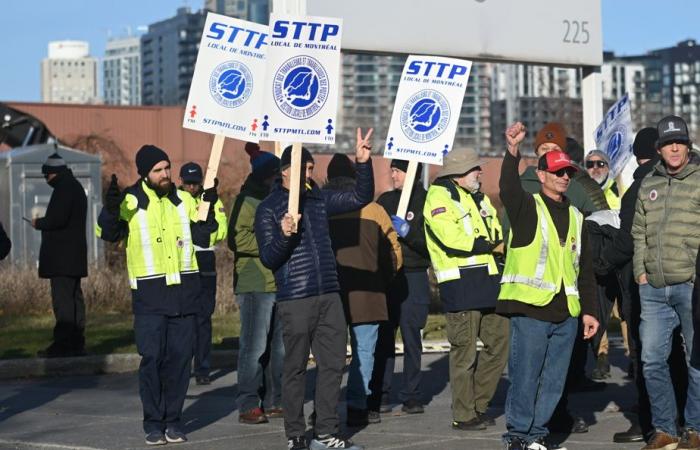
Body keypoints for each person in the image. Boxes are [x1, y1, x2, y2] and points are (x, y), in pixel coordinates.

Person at [255, 129, 374, 450]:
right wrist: (284, 233)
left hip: (329, 295)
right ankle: (295, 435)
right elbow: (269, 258)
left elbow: (360, 198)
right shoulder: (268, 208)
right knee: (294, 368)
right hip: (295, 297)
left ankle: (326, 432)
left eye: (311, 168)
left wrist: (362, 164)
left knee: (334, 364)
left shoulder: (319, 199)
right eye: (304, 168)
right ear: (285, 172)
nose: (310, 173)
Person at [96, 144, 219, 445]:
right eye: (157, 170)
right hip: (150, 298)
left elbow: (208, 237)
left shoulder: (184, 200)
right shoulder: (130, 200)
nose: (165, 174)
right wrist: (110, 211)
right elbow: (108, 234)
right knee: (152, 360)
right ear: (144, 174)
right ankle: (153, 422)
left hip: (185, 295)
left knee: (179, 362)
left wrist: (209, 210)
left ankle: (173, 421)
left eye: (167, 168)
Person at [499, 122, 599, 450]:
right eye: (557, 172)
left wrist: (590, 312)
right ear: (541, 175)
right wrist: (512, 151)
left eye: (567, 172)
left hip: (565, 314)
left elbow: (583, 271)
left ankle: (537, 435)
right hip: (530, 310)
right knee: (525, 379)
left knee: (554, 382)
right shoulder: (528, 207)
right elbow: (509, 188)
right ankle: (519, 435)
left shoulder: (576, 217)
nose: (564, 177)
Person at [602, 127, 689, 443]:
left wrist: (602, 262)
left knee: (647, 356)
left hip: (644, 286)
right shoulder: (666, 183)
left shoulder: (640, 186)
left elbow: (628, 240)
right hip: (675, 280)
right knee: (679, 355)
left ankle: (649, 422)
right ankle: (681, 421)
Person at [423, 148, 509, 431]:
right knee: (465, 353)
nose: (480, 173)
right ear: (459, 175)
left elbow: (496, 232)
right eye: (475, 169)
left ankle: (478, 404)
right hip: (460, 285)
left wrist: (496, 246)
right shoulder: (438, 197)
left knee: (501, 344)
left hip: (488, 282)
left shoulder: (481, 198)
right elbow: (452, 238)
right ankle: (464, 413)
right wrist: (489, 244)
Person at [631, 115, 700, 450]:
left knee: (696, 361)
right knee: (652, 360)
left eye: (680, 142)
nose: (675, 148)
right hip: (654, 288)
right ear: (659, 149)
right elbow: (638, 231)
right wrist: (640, 273)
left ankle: (696, 429)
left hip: (691, 286)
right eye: (669, 143)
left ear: (687, 145)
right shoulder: (650, 182)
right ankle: (665, 431)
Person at [323, 153, 402, 427]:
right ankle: (358, 406)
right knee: (364, 352)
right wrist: (385, 279)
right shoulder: (373, 209)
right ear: (356, 178)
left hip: (329, 291)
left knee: (329, 355)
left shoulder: (319, 206)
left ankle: (325, 409)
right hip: (368, 291)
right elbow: (394, 252)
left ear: (328, 178)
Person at [228, 143, 285, 424]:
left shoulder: (276, 199)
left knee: (279, 347)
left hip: (277, 281)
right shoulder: (247, 200)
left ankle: (276, 399)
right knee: (254, 346)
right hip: (254, 281)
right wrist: (272, 243)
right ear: (266, 175)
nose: (281, 179)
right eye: (277, 174)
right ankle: (249, 402)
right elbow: (236, 239)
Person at [370, 159, 431, 416]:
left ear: (411, 173)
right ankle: (380, 393)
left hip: (415, 275)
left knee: (411, 336)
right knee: (385, 336)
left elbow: (431, 245)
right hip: (389, 276)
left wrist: (409, 234)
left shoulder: (427, 201)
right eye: (392, 170)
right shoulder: (385, 201)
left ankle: (411, 395)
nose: (392, 175)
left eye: (397, 170)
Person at [32, 153, 88, 358]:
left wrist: (39, 223)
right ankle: (76, 343)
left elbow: (57, 219)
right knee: (75, 299)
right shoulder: (76, 187)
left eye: (46, 176)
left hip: (62, 258)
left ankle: (63, 344)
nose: (47, 181)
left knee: (63, 301)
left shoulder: (64, 189)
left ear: (52, 174)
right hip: (74, 257)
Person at [177, 162, 228, 386]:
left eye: (194, 183)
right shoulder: (176, 200)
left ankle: (202, 368)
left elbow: (220, 232)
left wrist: (208, 209)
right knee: (183, 318)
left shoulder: (213, 200)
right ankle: (180, 366)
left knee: (204, 318)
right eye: (187, 183)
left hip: (206, 259)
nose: (190, 187)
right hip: (184, 261)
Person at [582, 149, 625, 381]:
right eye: (590, 164)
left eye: (601, 164)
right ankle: (601, 356)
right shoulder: (582, 193)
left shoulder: (619, 189)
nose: (596, 168)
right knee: (599, 311)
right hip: (597, 261)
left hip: (621, 260)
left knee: (625, 313)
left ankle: (634, 357)